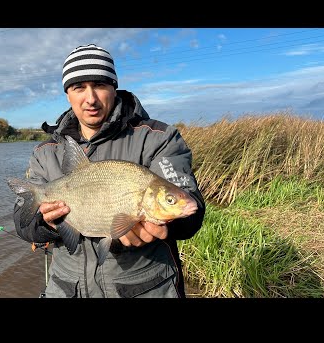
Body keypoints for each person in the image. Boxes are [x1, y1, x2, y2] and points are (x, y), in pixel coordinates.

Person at [13, 43, 205, 298]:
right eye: (79, 87)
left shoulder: (158, 138)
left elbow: (192, 212)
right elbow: (22, 222)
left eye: (100, 85)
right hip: (67, 288)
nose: (90, 98)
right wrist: (46, 224)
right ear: (67, 94)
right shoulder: (44, 152)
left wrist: (171, 226)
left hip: (145, 287)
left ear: (114, 87)